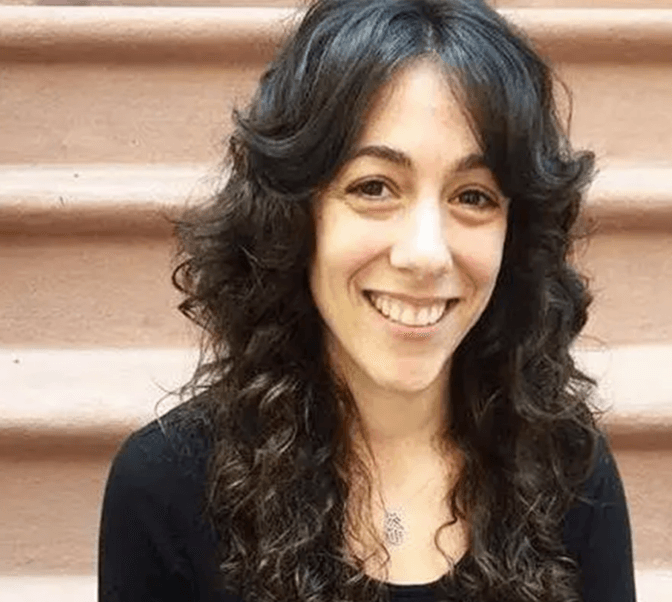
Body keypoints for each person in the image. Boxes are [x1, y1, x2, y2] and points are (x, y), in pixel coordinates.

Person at [98, 1, 636, 601]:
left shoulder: (567, 472)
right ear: (296, 216)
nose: (427, 254)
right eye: (374, 187)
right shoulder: (166, 488)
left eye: (474, 196)